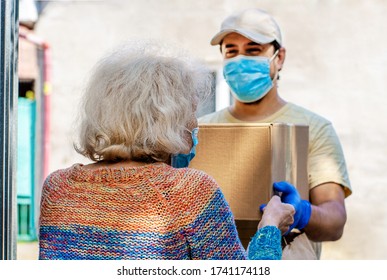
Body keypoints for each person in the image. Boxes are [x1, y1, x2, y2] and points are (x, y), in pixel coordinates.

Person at [38, 40, 297, 260]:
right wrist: (270, 228)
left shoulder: (57, 188)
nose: (195, 123)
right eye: (191, 112)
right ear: (165, 120)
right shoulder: (189, 191)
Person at [199, 8, 352, 259]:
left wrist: (302, 212)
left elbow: (335, 223)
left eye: (253, 50)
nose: (240, 60)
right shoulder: (200, 129)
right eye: (231, 51)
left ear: (279, 57)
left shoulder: (314, 128)